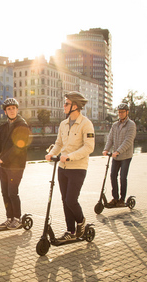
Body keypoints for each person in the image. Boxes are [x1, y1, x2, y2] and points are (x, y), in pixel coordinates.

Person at [45, 91, 95, 242]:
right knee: (64, 200)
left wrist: (70, 156)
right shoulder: (63, 124)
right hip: (62, 167)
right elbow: (59, 143)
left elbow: (89, 147)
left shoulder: (86, 124)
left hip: (78, 168)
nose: (64, 106)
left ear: (75, 106)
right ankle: (71, 231)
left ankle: (81, 221)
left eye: (66, 103)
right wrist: (51, 153)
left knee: (71, 200)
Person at [0, 98, 30, 229]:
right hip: (4, 165)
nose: (12, 110)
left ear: (17, 109)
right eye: (9, 109)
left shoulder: (22, 125)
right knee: (4, 192)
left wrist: (3, 159)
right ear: (5, 111)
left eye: (14, 108)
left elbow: (18, 147)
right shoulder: (3, 127)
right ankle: (9, 218)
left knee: (12, 192)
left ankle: (17, 219)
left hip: (16, 165)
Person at [102, 103, 137, 207]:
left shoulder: (131, 125)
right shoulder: (115, 125)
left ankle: (122, 199)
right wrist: (106, 149)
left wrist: (118, 151)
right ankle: (115, 198)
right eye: (119, 112)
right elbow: (110, 138)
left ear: (127, 112)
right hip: (115, 156)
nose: (120, 114)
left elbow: (128, 140)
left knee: (122, 177)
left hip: (125, 156)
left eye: (122, 112)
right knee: (113, 175)